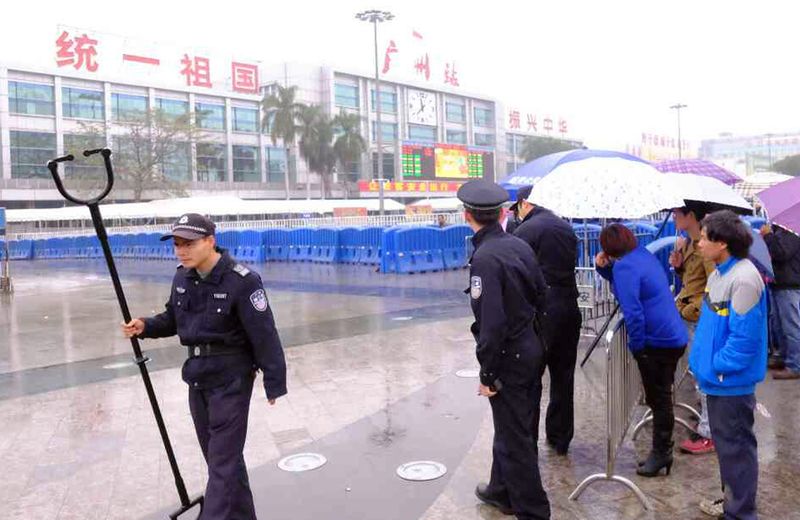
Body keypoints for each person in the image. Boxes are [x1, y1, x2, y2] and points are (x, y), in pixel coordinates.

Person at [122, 213, 287, 520]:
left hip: (232, 378)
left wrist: (274, 381)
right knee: (221, 459)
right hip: (198, 377)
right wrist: (144, 325)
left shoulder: (242, 281)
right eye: (176, 244)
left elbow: (264, 334)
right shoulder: (182, 278)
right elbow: (173, 319)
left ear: (210, 241)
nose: (181, 250)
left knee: (222, 465)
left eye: (189, 243)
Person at [457, 180, 550, 520]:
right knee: (517, 427)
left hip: (509, 358)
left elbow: (491, 324)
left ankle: (533, 511)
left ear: (467, 215)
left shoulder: (484, 258)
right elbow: (542, 295)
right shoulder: (519, 245)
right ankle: (502, 490)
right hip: (531, 349)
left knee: (516, 442)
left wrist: (487, 373)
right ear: (500, 214)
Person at [595, 224, 688, 477]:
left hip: (657, 341)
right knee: (661, 397)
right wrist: (604, 267)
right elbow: (627, 283)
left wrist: (638, 348)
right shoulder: (641, 256)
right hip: (672, 335)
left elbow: (633, 311)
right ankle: (661, 452)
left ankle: (661, 453)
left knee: (659, 400)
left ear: (608, 248)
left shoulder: (625, 266)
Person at [691, 210, 767, 520]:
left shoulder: (744, 278)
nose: (698, 243)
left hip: (729, 382)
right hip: (717, 379)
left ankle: (740, 512)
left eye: (704, 237)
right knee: (728, 449)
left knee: (736, 451)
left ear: (721, 244)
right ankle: (733, 502)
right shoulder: (719, 273)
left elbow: (743, 341)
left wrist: (717, 366)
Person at [512, 184, 582, 455]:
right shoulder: (565, 228)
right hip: (569, 306)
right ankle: (560, 437)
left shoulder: (526, 230)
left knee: (532, 378)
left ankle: (527, 441)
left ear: (524, 203)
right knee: (563, 376)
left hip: (542, 311)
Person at [669, 204, 717, 456]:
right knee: (698, 372)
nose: (674, 217)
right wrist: (678, 266)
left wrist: (691, 308)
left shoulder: (705, 244)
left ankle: (710, 432)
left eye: (678, 214)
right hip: (689, 312)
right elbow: (693, 279)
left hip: (698, 316)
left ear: (691, 216)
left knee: (704, 374)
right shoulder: (688, 243)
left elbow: (714, 285)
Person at [760, 223, 800, 379]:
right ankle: (784, 357)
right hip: (780, 282)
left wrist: (768, 236)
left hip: (790, 284)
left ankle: (795, 364)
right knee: (779, 325)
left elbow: (782, 253)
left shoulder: (792, 231)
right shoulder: (782, 231)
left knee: (791, 326)